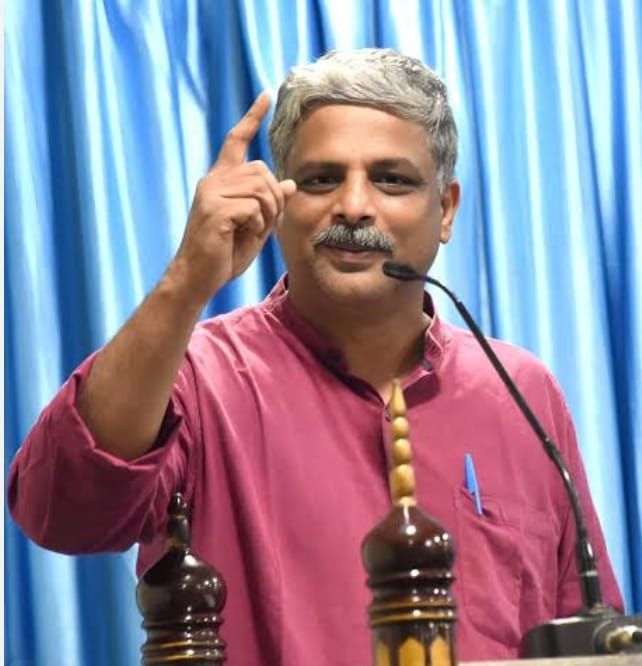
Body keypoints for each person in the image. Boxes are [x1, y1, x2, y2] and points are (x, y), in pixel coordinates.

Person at [8, 48, 622, 663]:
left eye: (392, 179)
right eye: (322, 179)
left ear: (446, 210)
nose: (353, 206)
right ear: (279, 205)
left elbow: (592, 639)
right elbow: (61, 513)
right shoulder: (196, 379)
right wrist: (187, 280)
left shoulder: (521, 391)